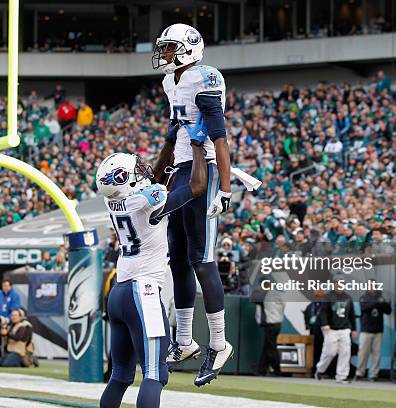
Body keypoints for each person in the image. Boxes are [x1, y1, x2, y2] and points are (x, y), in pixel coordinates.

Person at [96, 132, 208, 407]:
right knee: (155, 374)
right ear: (127, 179)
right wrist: (196, 147)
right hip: (142, 292)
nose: (144, 169)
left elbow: (153, 177)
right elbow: (196, 186)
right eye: (136, 169)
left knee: (120, 376)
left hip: (120, 292)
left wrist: (170, 142)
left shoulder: (113, 201)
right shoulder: (147, 201)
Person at [152, 23, 234, 386]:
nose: (165, 54)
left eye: (169, 48)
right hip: (182, 170)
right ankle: (184, 340)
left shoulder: (204, 78)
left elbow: (219, 137)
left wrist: (225, 189)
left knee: (202, 258)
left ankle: (219, 343)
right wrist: (155, 176)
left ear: (188, 49)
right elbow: (174, 133)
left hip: (207, 171)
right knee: (178, 257)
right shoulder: (172, 82)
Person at [315, 283, 356, 384]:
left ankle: (342, 376)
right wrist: (325, 324)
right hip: (331, 329)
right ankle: (320, 369)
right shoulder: (328, 297)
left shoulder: (348, 298)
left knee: (345, 352)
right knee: (330, 352)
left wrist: (354, 329)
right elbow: (322, 312)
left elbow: (351, 314)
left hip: (344, 329)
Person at [356, 282, 391, 382]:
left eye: (374, 286)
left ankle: (373, 374)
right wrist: (377, 301)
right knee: (363, 353)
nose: (372, 288)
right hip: (366, 330)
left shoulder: (381, 298)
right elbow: (365, 307)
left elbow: (388, 311)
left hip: (378, 330)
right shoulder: (364, 297)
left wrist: (384, 303)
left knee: (376, 353)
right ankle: (360, 373)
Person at [254, 274, 286, 376]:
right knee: (267, 346)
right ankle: (261, 369)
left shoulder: (266, 294)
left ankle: (277, 370)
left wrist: (259, 290)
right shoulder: (277, 293)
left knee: (271, 347)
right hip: (277, 322)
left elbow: (255, 298)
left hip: (271, 323)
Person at [304, 289, 326, 371]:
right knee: (313, 351)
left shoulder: (325, 306)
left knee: (323, 351)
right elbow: (306, 317)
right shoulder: (310, 306)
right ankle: (313, 369)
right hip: (313, 332)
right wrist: (308, 326)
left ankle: (323, 369)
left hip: (323, 332)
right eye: (316, 296)